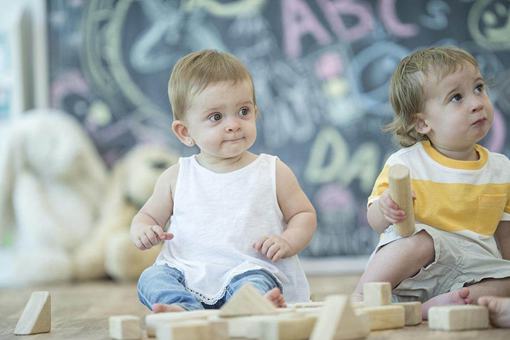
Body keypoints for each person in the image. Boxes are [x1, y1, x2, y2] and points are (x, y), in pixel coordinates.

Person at [130, 49, 317, 312]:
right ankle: (183, 310)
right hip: (186, 273)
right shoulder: (177, 176)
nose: (233, 124)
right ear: (185, 132)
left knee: (255, 282)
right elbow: (146, 217)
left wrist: (288, 240)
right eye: (216, 117)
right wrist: (144, 231)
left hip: (249, 268)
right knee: (151, 279)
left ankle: (251, 306)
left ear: (255, 112)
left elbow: (304, 214)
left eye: (243, 111)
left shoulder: (272, 170)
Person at [353, 46, 510, 319]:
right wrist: (385, 208)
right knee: (419, 241)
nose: (476, 102)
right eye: (456, 97)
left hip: (472, 270)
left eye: (479, 88)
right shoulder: (406, 164)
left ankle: (438, 307)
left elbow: (506, 238)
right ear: (422, 123)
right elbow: (375, 221)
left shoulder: (501, 169)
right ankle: (359, 297)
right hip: (417, 269)